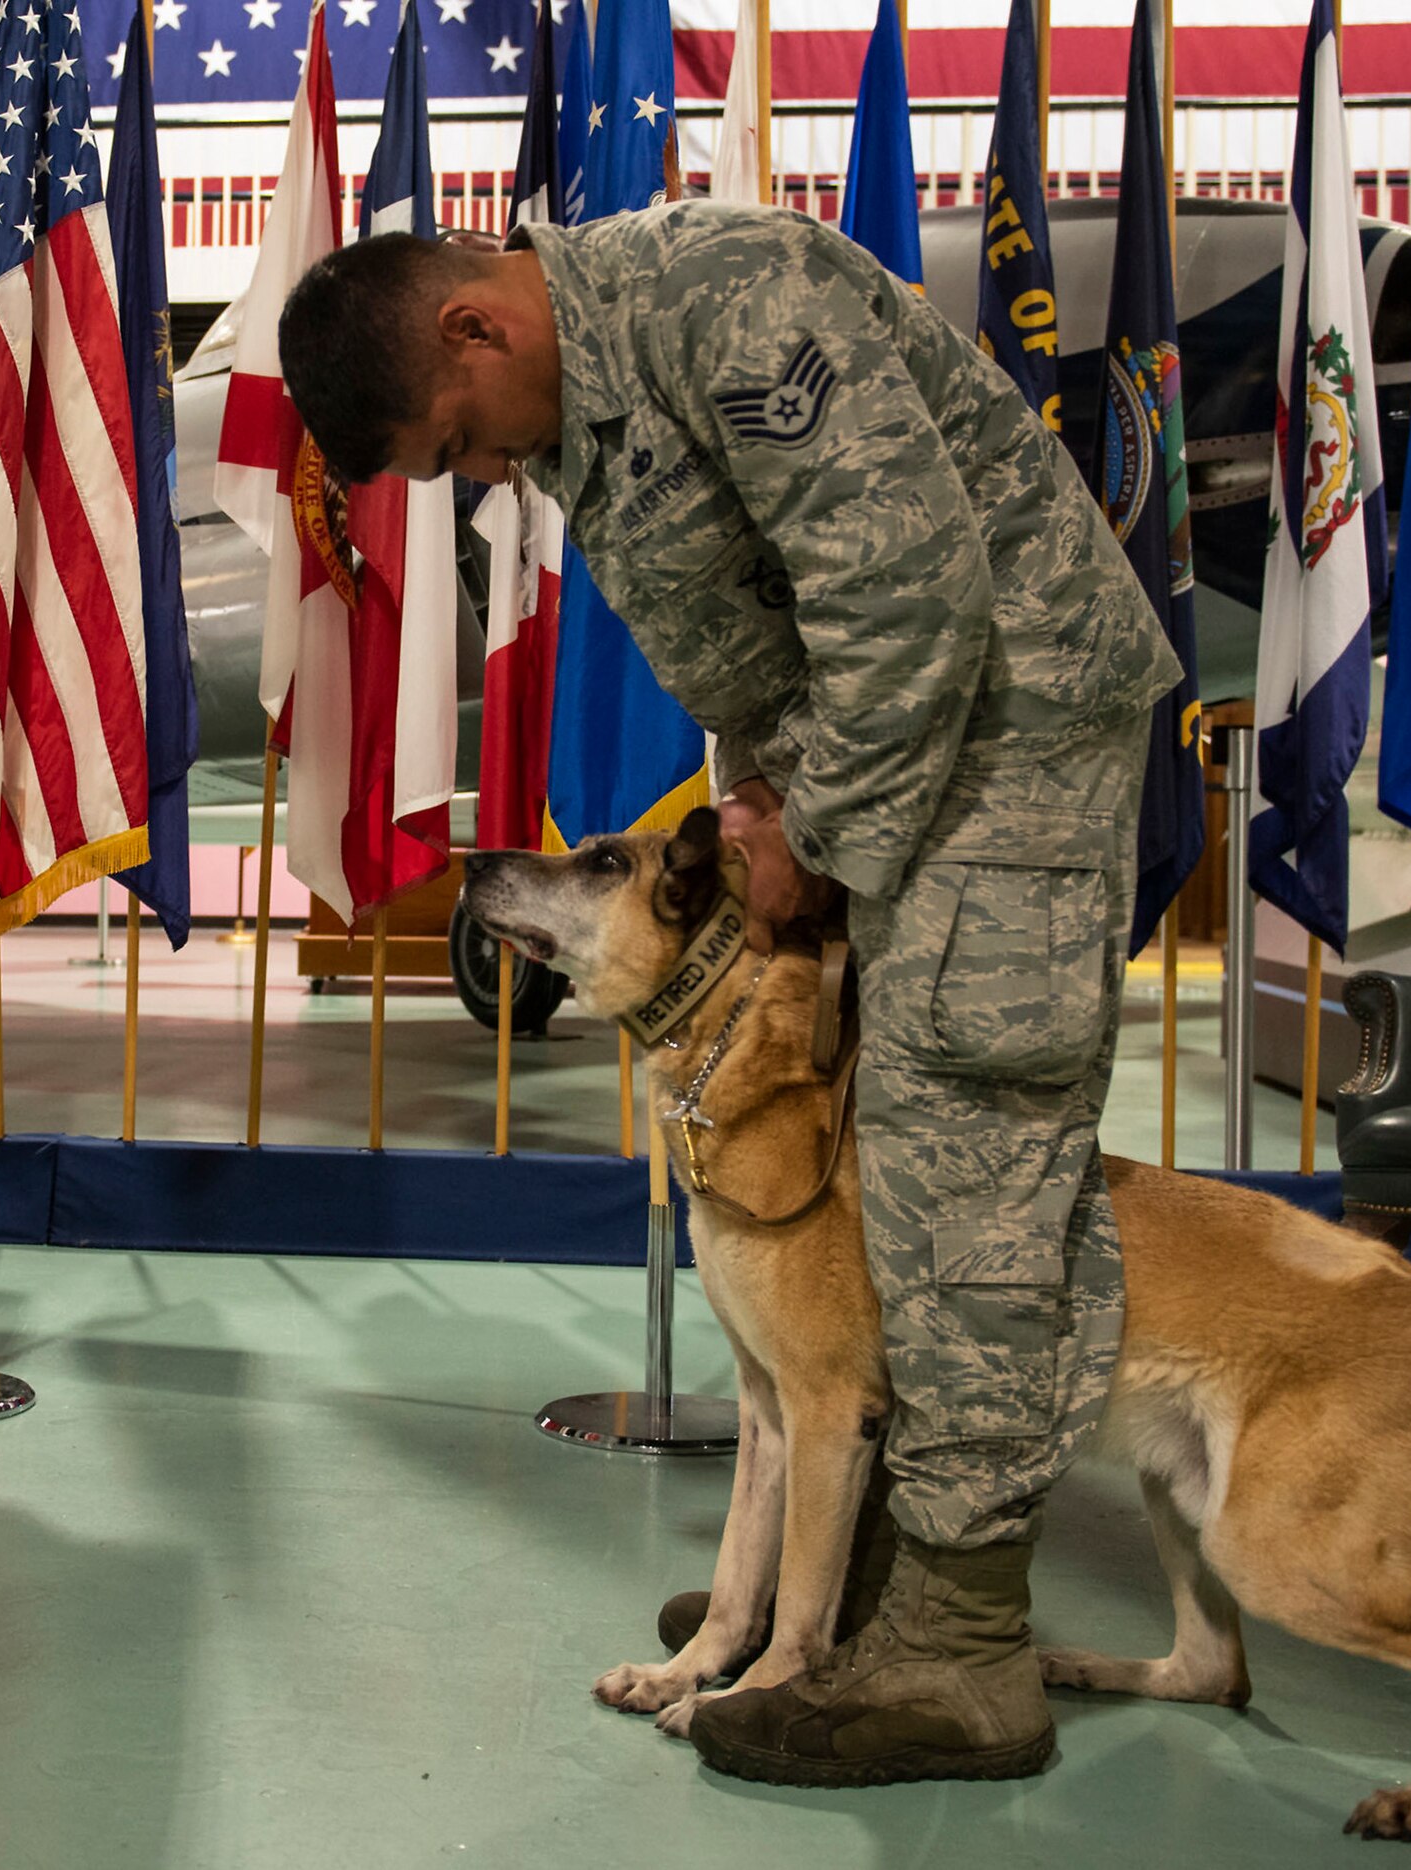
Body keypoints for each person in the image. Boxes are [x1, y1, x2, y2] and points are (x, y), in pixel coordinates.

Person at [278, 200, 1179, 1788]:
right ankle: (885, 1587)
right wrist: (761, 787)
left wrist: (805, 826)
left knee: (969, 1159)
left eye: (457, 443)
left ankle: (963, 1648)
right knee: (891, 1161)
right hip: (898, 763)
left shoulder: (727, 302)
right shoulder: (581, 398)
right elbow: (762, 628)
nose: (481, 477)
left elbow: (908, 599)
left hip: (1005, 743)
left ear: (473, 332)